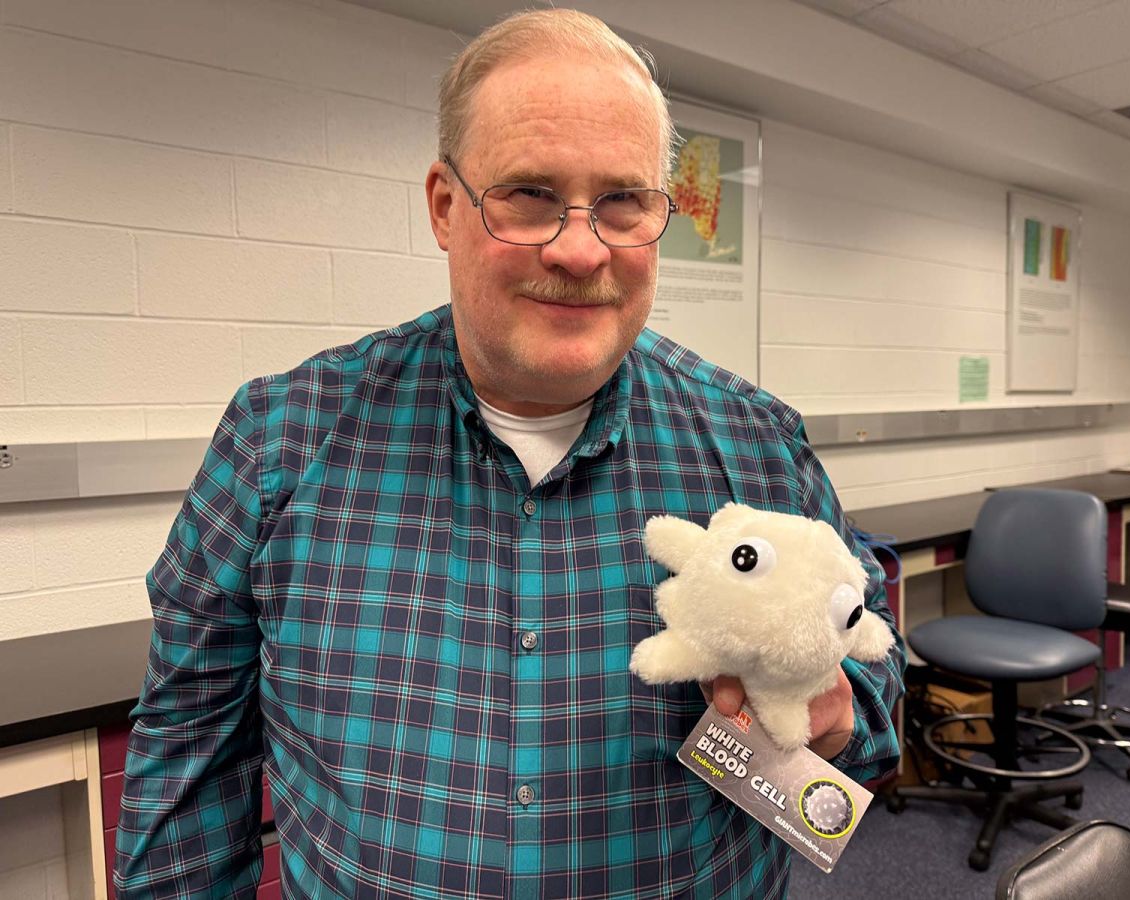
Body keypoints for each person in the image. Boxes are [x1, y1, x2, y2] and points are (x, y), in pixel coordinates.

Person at [115, 9, 905, 898]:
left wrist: (835, 717)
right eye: (530, 193)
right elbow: (187, 757)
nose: (580, 249)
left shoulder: (756, 446)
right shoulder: (279, 442)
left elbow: (874, 697)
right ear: (444, 207)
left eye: (623, 201)